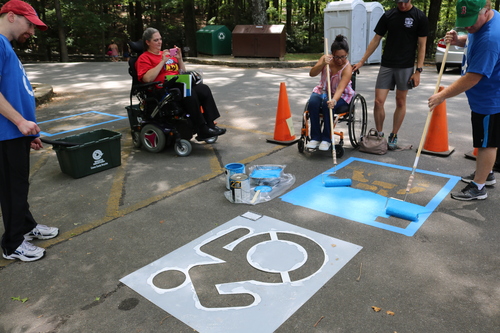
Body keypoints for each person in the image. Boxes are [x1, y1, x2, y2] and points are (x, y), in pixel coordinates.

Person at [0, 0, 59, 262]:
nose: (32, 32)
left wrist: (28, 130)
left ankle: (25, 226)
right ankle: (12, 244)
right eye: (30, 25)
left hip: (16, 132)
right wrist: (20, 122)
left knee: (19, 185)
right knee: (13, 188)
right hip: (6, 132)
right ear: (11, 16)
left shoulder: (6, 46)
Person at [428, 0, 500, 200]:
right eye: (464, 21)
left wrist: (442, 95)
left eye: (471, 21)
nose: (468, 26)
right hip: (483, 96)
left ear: (486, 12)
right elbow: (471, 37)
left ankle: (479, 187)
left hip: (491, 98)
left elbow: (473, 77)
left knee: (487, 143)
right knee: (484, 138)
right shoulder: (488, 20)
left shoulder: (490, 39)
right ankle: (486, 174)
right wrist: (459, 40)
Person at [353, 0, 428, 150]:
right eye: (399, 2)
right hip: (387, 64)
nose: (402, 5)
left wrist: (418, 71)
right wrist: (362, 61)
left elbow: (422, 45)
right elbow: (376, 39)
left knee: (400, 102)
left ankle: (394, 134)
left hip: (406, 66)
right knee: (378, 102)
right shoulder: (388, 15)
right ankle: (379, 135)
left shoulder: (419, 17)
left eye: (404, 2)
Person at [135, 27, 226, 139]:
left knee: (203, 89)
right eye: (156, 40)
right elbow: (147, 79)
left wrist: (179, 59)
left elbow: (181, 72)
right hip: (161, 89)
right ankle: (202, 128)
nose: (160, 42)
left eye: (160, 39)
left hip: (178, 83)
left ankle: (210, 124)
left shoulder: (167, 54)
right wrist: (162, 61)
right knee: (188, 92)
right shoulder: (144, 58)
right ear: (147, 42)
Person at [306, 35, 355, 151]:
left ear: (347, 54)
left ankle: (327, 139)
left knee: (328, 105)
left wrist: (334, 100)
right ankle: (315, 138)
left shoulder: (347, 68)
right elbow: (312, 73)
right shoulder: (325, 59)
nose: (339, 60)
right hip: (323, 90)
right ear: (332, 54)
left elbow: (340, 89)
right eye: (336, 57)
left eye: (343, 57)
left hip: (341, 95)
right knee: (313, 103)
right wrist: (322, 64)